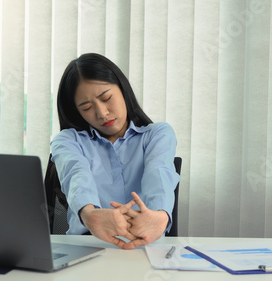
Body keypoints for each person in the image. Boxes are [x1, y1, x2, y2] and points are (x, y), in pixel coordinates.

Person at [50, 53, 180, 250]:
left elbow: (158, 172)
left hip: (145, 244)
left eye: (106, 98)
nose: (102, 113)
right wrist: (89, 215)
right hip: (87, 244)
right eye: (86, 107)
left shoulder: (158, 134)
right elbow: (76, 175)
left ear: (123, 89)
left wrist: (160, 216)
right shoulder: (68, 140)